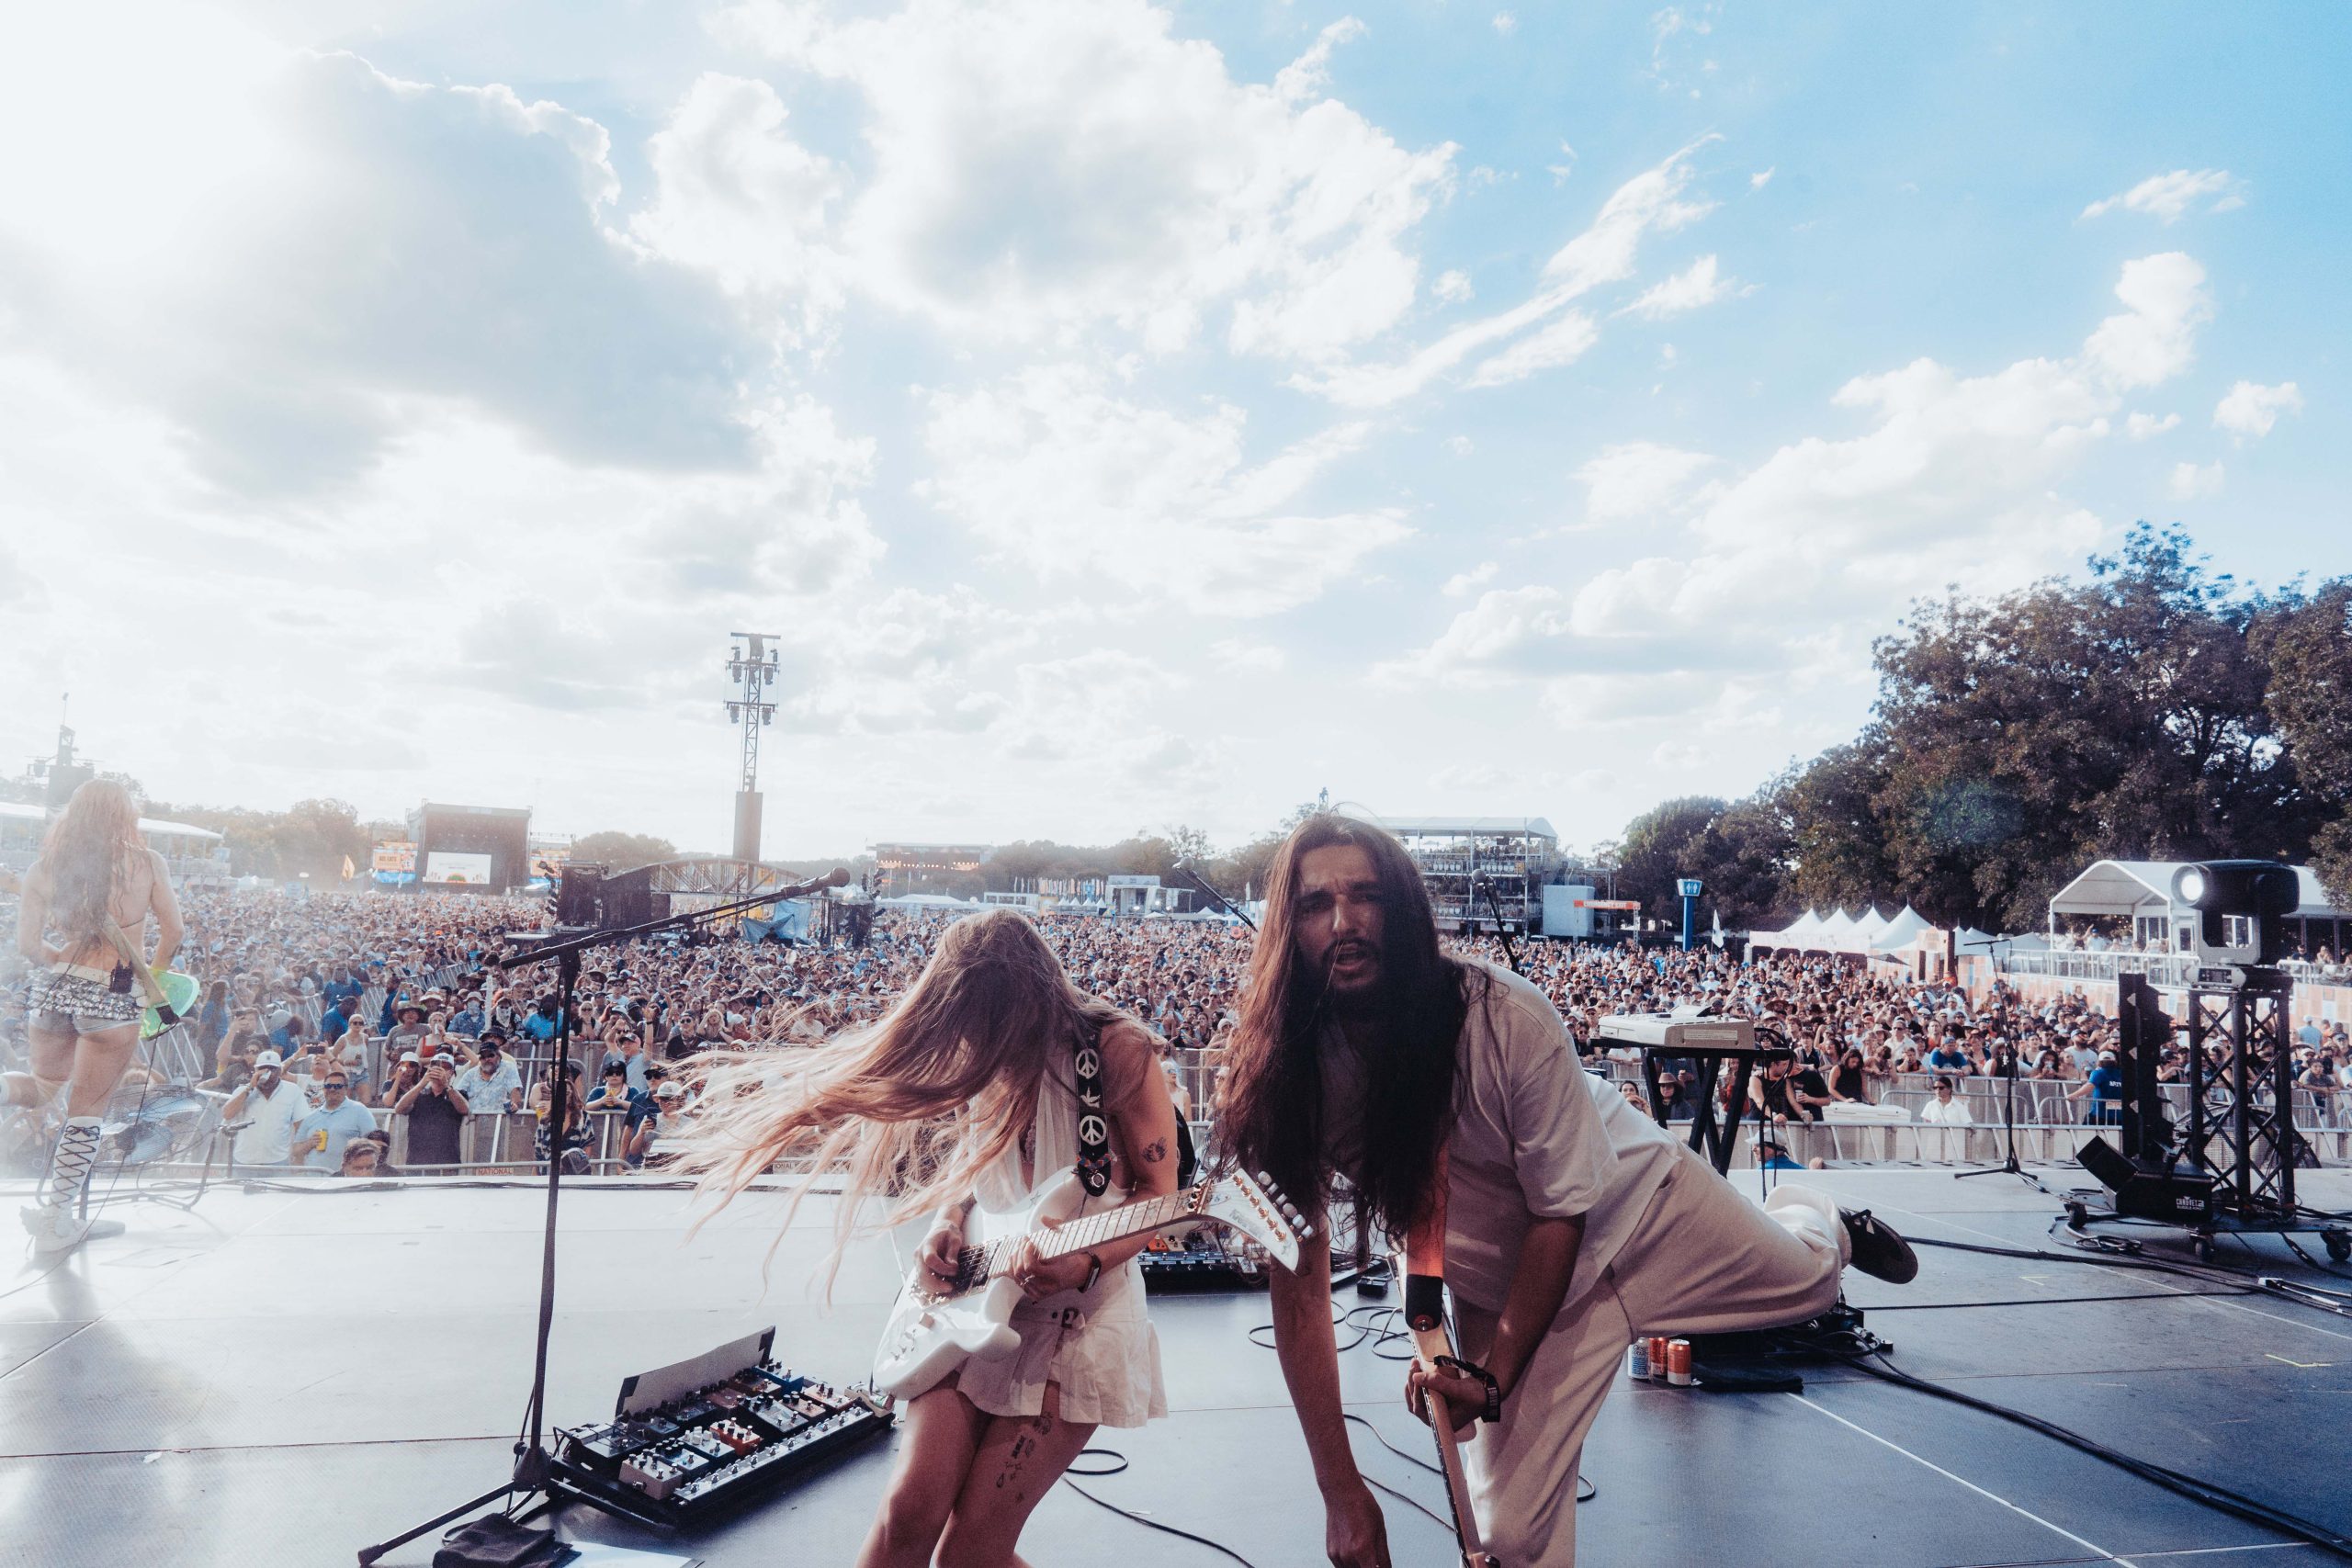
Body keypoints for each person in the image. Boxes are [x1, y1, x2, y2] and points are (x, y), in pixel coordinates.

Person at [1216, 816, 1917, 1568]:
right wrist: (1340, 1490)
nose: (1345, 920)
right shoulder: (1282, 1070)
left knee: (1810, 1283)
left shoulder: (1506, 1016)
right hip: (1512, 1286)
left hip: (1643, 1211)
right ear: (1287, 926)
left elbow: (1561, 1212)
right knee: (1510, 1540)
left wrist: (1492, 1381)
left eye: (1365, 895)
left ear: (1406, 909)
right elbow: (1298, 1277)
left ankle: (1824, 1216)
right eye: (1316, 902)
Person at [675, 908, 1182, 1568]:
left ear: (1029, 1003)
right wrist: (944, 1225)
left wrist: (1083, 1260)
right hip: (973, 1301)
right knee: (907, 1513)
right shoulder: (985, 1050)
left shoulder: (1115, 1052)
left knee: (969, 1555)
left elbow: (1161, 1194)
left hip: (1079, 1319)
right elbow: (976, 1175)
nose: (982, 1050)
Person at [7, 780, 187, 1253]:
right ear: (125, 814)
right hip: (115, 990)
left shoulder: (46, 867)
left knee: (42, 1087)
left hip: (54, 989)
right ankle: (57, 1221)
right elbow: (175, 930)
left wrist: (64, 966)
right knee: (86, 1113)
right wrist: (155, 980)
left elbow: (28, 947)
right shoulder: (147, 863)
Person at [224, 1051, 310, 1168]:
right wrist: (250, 1088)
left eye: (272, 1069)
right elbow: (227, 1114)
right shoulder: (242, 1091)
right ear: (255, 1070)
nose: (267, 1073)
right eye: (262, 1068)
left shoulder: (293, 1091)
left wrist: (298, 1156)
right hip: (244, 1160)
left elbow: (301, 1126)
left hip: (278, 1160)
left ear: (280, 1071)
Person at [290, 1073, 378, 1171]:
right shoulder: (311, 1117)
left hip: (344, 1178)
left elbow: (374, 1143)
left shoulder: (360, 1111)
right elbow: (295, 1151)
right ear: (323, 1089)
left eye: (338, 1086)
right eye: (328, 1086)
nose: (332, 1089)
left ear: (346, 1089)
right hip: (313, 1179)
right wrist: (309, 1144)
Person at [395, 1055, 469, 1167]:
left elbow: (464, 1109)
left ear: (452, 1073)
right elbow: (399, 1109)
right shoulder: (418, 1094)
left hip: (447, 1160)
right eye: (436, 1066)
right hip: (417, 1160)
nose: (440, 1070)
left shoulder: (457, 1094)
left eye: (445, 1067)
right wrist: (422, 1083)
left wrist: (446, 1085)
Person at [454, 1035, 523, 1114]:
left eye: (491, 1055)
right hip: (473, 1120)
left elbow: (515, 1090)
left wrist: (514, 1104)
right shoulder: (470, 1074)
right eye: (483, 1057)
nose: (487, 1059)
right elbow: (458, 1095)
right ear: (480, 1059)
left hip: (500, 1119)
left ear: (499, 1056)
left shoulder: (508, 1067)